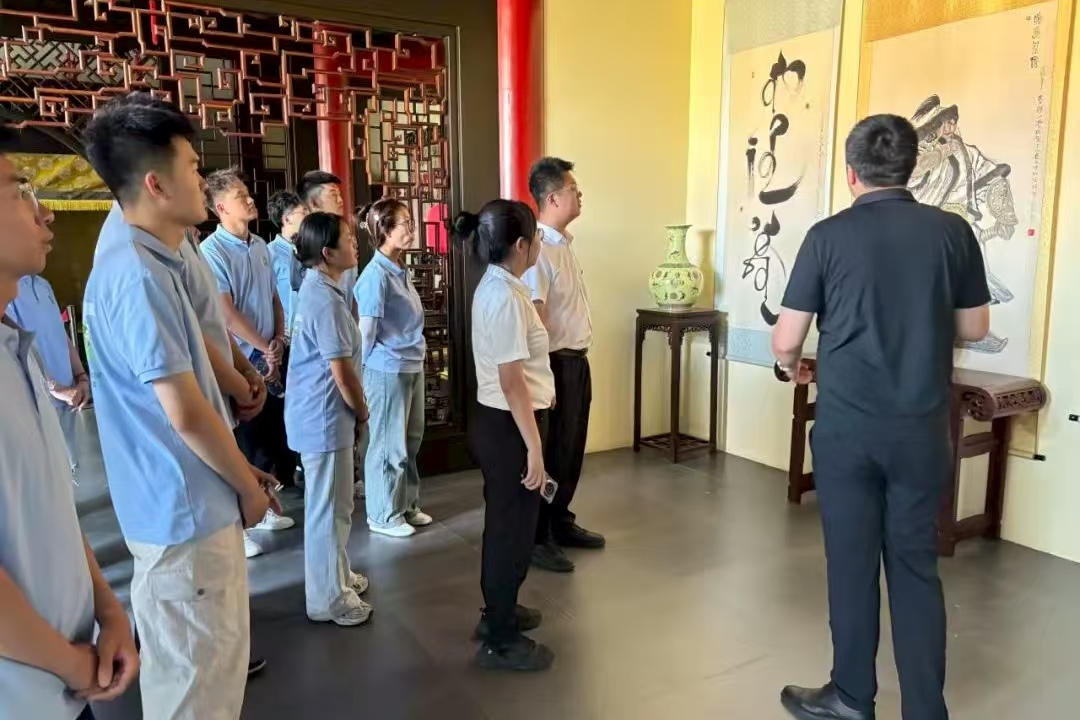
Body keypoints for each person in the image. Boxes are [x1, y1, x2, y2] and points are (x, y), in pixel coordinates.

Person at [771, 114, 990, 720]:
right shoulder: (952, 231)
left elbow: (787, 339)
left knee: (851, 565)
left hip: (848, 431)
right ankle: (925, 709)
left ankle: (851, 698)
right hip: (922, 429)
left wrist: (792, 367)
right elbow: (975, 326)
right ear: (910, 167)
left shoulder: (826, 236)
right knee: (916, 568)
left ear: (852, 174)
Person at [83, 91, 279, 720]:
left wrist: (240, 464)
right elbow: (185, 412)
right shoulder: (137, 272)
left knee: (207, 679)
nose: (203, 179)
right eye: (193, 166)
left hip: (187, 502)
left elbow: (197, 355)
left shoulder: (153, 250)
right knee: (197, 691)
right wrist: (245, 486)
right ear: (156, 183)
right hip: (182, 513)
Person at [0, 123, 139, 720]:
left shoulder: (17, 349)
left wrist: (108, 612)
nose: (45, 213)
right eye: (20, 192)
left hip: (68, 676)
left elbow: (53, 510)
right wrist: (71, 663)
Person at [456, 200, 553, 672]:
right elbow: (512, 382)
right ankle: (499, 635)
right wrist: (534, 447)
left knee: (512, 523)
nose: (538, 245)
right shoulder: (507, 297)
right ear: (521, 245)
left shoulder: (499, 286)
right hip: (510, 426)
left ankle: (503, 609)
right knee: (508, 529)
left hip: (506, 421)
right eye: (535, 238)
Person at [285, 211, 373, 626]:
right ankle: (327, 598)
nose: (355, 244)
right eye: (348, 239)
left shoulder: (323, 289)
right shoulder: (323, 298)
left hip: (322, 415)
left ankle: (336, 575)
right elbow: (342, 371)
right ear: (327, 253)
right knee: (328, 509)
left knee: (336, 505)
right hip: (322, 417)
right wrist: (362, 411)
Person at [201, 168, 297, 534]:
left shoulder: (259, 245)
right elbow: (225, 312)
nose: (250, 199)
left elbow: (274, 297)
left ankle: (266, 504)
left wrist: (278, 339)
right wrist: (261, 347)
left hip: (269, 350)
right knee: (246, 434)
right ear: (221, 208)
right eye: (241, 196)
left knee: (271, 432)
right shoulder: (212, 251)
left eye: (247, 193)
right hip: (240, 355)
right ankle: (244, 519)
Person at [523, 157, 604, 574]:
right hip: (555, 363)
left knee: (571, 447)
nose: (580, 194)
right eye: (573, 189)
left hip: (576, 360)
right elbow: (535, 317)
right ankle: (538, 536)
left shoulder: (563, 244)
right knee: (553, 450)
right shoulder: (539, 249)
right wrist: (542, 377)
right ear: (553, 197)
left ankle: (560, 520)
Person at [354, 199, 430, 537]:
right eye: (405, 223)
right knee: (387, 444)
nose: (411, 229)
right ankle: (383, 514)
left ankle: (407, 504)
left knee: (410, 441)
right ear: (384, 230)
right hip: (387, 368)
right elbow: (366, 333)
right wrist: (361, 375)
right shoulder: (375, 276)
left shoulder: (399, 269)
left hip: (410, 363)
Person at [7, 271, 90, 476]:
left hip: (70, 400)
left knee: (73, 471)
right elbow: (17, 347)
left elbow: (61, 335)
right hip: (40, 403)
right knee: (53, 474)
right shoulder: (8, 287)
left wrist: (81, 377)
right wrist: (55, 388)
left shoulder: (44, 285)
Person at [266, 190, 308, 340]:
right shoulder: (269, 254)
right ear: (287, 219)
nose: (308, 215)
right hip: (286, 335)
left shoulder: (310, 249)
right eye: (303, 212)